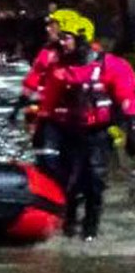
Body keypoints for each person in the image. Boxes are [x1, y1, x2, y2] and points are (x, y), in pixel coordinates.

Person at [37, 14, 135, 240]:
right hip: (68, 131)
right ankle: (68, 223)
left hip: (98, 132)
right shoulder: (59, 68)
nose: (62, 42)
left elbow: (127, 98)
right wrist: (43, 129)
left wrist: (131, 127)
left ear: (81, 38)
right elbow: (49, 102)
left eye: (66, 38)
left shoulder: (112, 66)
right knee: (67, 182)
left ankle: (90, 229)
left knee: (94, 181)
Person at [10, 9, 72, 156]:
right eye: (49, 26)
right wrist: (19, 105)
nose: (49, 29)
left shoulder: (87, 55)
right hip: (49, 107)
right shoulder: (47, 53)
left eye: (53, 26)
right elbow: (34, 77)